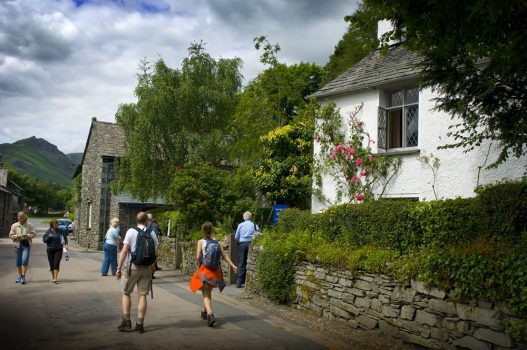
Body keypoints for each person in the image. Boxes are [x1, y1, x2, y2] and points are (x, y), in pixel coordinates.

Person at [116, 212, 159, 334]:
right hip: (146, 268)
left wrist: (118, 268)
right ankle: (140, 324)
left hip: (132, 266)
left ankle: (127, 320)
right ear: (147, 221)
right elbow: (156, 251)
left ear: (136, 220)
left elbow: (124, 251)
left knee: (126, 292)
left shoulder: (131, 231)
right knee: (142, 295)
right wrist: (152, 266)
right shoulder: (151, 233)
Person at [190, 221, 238, 327]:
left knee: (206, 294)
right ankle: (203, 311)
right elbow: (224, 256)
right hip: (215, 272)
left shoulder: (200, 242)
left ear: (203, 231)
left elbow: (198, 257)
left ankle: (210, 315)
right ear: (212, 230)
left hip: (205, 271)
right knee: (207, 292)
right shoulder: (218, 242)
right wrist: (233, 265)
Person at [9, 211, 36, 284]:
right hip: (17, 244)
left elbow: (34, 234)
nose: (21, 220)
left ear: (25, 218)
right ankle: (20, 275)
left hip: (26, 244)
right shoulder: (14, 225)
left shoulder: (30, 225)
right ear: (17, 217)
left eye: (22, 218)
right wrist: (15, 236)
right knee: (18, 262)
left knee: (24, 260)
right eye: (19, 218)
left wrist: (28, 235)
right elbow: (10, 235)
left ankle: (23, 277)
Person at [234, 211, 259, 288]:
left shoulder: (241, 225)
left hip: (243, 244)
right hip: (252, 244)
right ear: (250, 217)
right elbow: (258, 235)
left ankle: (239, 282)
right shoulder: (255, 225)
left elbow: (236, 237)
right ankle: (249, 282)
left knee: (241, 262)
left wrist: (239, 242)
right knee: (251, 261)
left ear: (244, 217)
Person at [43, 219, 68, 284]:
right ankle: (53, 277)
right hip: (50, 250)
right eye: (55, 224)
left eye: (57, 224)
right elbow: (44, 240)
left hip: (58, 249)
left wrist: (66, 245)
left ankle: (55, 278)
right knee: (51, 264)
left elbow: (65, 238)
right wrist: (48, 237)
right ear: (52, 225)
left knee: (56, 263)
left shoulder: (60, 231)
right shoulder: (48, 232)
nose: (56, 225)